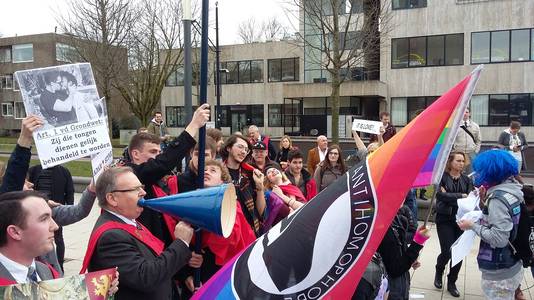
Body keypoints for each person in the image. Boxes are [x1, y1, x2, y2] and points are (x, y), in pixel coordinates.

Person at [82, 167, 193, 299]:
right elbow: (146, 277)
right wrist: (181, 243)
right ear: (112, 199)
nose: (144, 192)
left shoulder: (128, 222)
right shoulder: (111, 236)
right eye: (135, 189)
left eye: (141, 187)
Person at [127, 104, 210, 246]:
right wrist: (194, 125)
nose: (158, 157)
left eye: (159, 153)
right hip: (145, 246)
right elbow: (164, 163)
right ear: (135, 154)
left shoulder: (155, 179)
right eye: (153, 152)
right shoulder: (129, 174)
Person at [182, 160, 256, 294]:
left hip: (223, 268)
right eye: (204, 170)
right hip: (201, 269)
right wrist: (189, 256)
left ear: (223, 181)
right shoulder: (192, 200)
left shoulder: (231, 203)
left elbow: (230, 240)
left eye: (212, 170)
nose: (206, 172)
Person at [458, 149, 524, 299]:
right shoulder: (513, 190)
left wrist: (472, 225)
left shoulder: (498, 199)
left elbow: (499, 238)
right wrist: (484, 202)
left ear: (491, 172)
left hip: (500, 270)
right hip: (512, 263)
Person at [433, 151, 473, 297]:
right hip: (445, 219)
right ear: (450, 162)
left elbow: (469, 199)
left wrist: (450, 196)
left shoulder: (467, 180)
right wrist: (460, 196)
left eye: (463, 161)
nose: (461, 163)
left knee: (459, 252)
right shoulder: (441, 178)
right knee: (447, 250)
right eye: (458, 160)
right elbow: (440, 195)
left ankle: (452, 282)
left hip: (461, 220)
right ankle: (439, 269)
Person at [27, 164, 74, 272]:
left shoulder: (63, 171)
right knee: (39, 238)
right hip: (37, 211)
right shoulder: (34, 170)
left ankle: (59, 266)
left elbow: (70, 191)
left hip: (56, 210)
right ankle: (43, 264)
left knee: (58, 238)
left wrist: (68, 210)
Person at [220, 134, 266, 237]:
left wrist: (260, 187)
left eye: (246, 149)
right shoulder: (218, 173)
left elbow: (260, 212)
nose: (243, 152)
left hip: (251, 232)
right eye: (240, 147)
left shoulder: (251, 173)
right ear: (228, 148)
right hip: (228, 233)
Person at [452, 108, 481, 174]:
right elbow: (451, 140)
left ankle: (470, 184)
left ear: (469, 114)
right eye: (463, 112)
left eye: (467, 112)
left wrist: (476, 151)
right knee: (458, 172)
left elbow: (478, 140)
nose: (465, 114)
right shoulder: (455, 125)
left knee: (471, 173)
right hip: (458, 153)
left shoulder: (475, 126)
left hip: (471, 153)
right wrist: (453, 150)